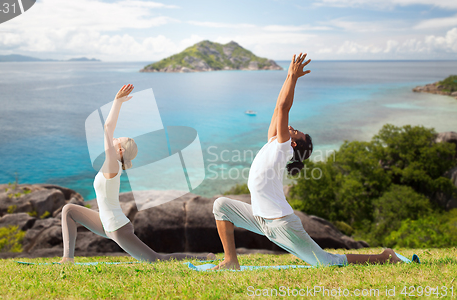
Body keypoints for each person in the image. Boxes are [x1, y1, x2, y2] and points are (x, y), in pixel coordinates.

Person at [211, 54, 401, 270]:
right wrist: (288, 77)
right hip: (261, 218)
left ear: (293, 145)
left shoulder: (283, 149)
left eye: (296, 132)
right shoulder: (273, 142)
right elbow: (277, 108)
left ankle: (385, 257)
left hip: (281, 224)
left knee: (327, 263)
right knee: (221, 205)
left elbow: (284, 108)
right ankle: (230, 261)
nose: (291, 128)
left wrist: (293, 77)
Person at [58, 84, 215, 263]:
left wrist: (117, 102)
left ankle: (205, 257)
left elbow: (107, 128)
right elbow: (109, 131)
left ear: (120, 151)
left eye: (119, 140)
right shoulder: (110, 165)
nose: (115, 138)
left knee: (156, 260)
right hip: (104, 222)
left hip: (117, 227)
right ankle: (67, 259)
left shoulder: (112, 165)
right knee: (69, 210)